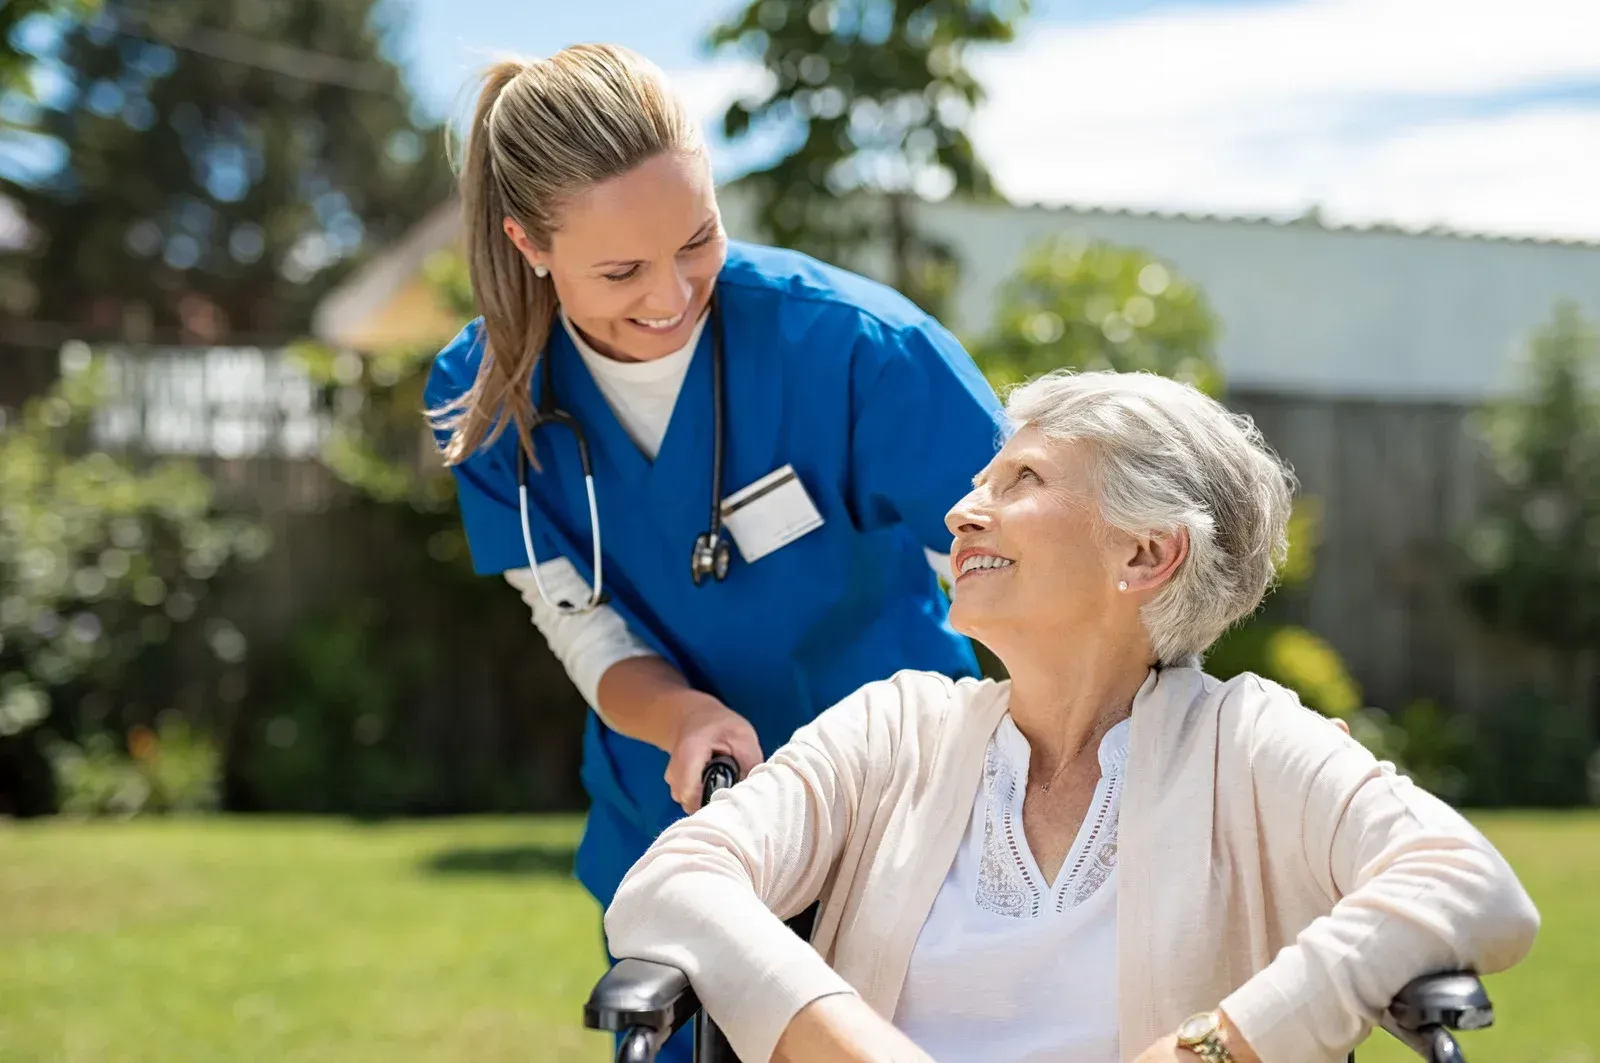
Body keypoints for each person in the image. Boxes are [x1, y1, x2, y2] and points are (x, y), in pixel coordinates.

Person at [603, 369, 1541, 1063]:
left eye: (1021, 481)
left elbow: (1471, 885)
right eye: (980, 482)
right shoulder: (894, 728)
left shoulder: (1249, 742)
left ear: (1145, 555)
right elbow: (671, 881)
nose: (966, 510)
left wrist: (1214, 1048)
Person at [422, 43, 1005, 1062]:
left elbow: (1034, 574)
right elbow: (579, 621)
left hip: (897, 827)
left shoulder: (859, 350)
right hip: (681, 835)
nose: (672, 292)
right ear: (527, 242)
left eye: (698, 238)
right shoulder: (483, 399)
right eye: (620, 270)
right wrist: (683, 716)